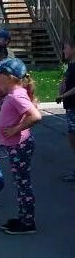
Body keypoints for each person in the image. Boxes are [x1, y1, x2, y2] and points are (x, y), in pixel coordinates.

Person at [0, 57, 42, 235]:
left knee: (23, 185)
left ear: (10, 77)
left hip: (20, 146)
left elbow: (35, 116)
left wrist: (15, 129)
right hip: (17, 146)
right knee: (21, 183)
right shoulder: (15, 94)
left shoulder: (16, 95)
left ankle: (28, 222)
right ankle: (24, 217)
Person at [57, 38, 75, 182]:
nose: (64, 50)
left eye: (66, 47)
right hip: (70, 108)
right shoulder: (70, 65)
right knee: (72, 139)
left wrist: (63, 95)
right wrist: (62, 85)